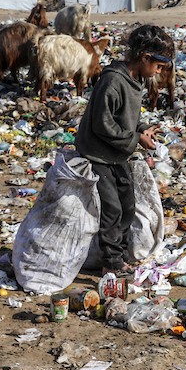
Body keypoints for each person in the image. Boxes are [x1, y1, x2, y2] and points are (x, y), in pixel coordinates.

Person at [74, 24, 173, 275]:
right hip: (98, 151)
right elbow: (102, 124)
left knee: (127, 202)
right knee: (112, 207)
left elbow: (125, 118)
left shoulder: (134, 81)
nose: (158, 72)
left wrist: (142, 128)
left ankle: (120, 252)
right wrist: (135, 139)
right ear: (145, 57)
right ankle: (111, 260)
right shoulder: (113, 80)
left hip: (116, 152)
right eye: (158, 66)